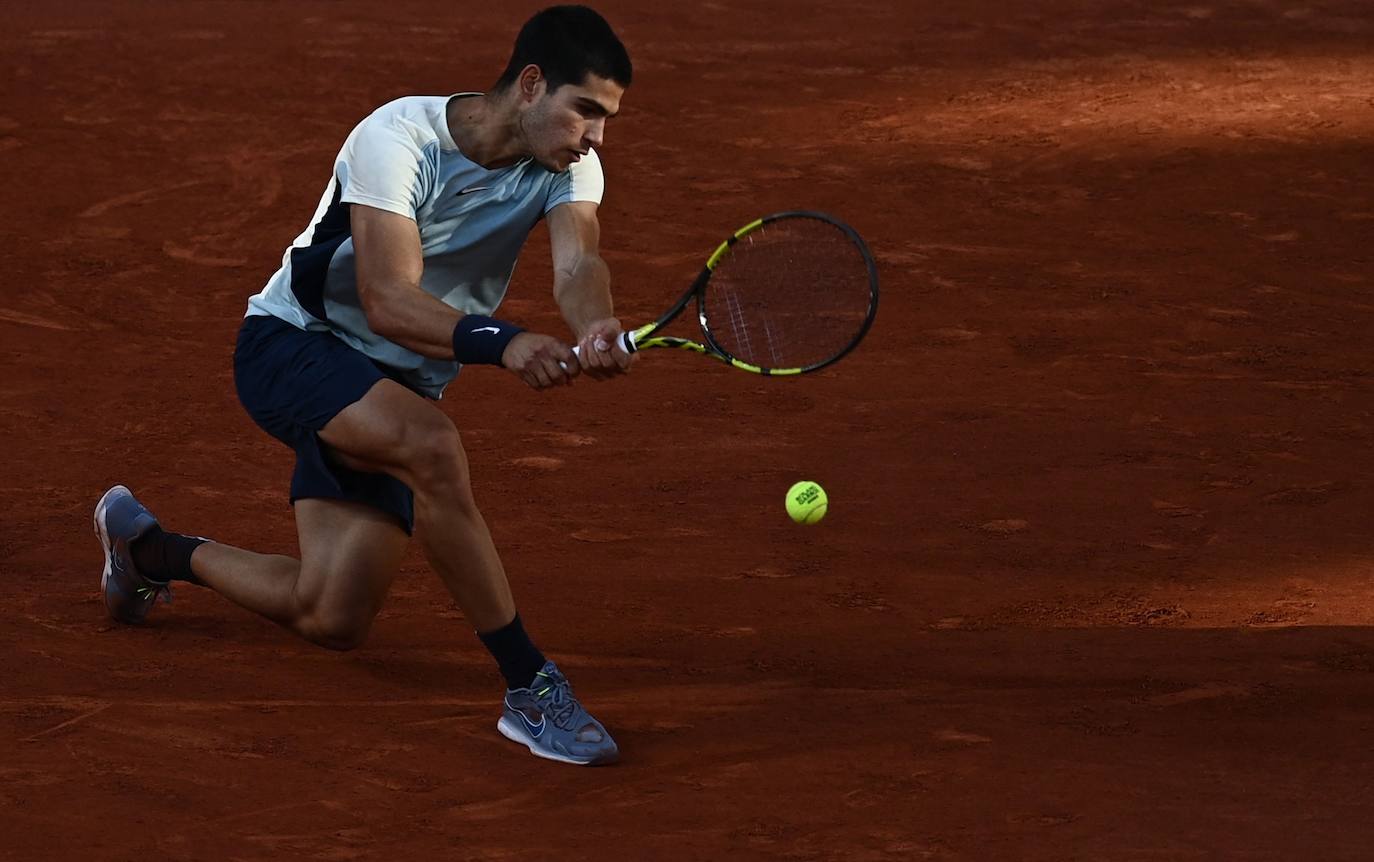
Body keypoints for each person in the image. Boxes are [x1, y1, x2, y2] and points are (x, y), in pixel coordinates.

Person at [94, 5, 633, 766]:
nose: (595, 135)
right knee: (432, 446)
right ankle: (529, 686)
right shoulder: (398, 137)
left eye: (606, 119)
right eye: (586, 111)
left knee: (331, 616)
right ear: (531, 86)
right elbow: (387, 297)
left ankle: (148, 553)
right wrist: (503, 342)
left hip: (393, 379)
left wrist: (596, 325)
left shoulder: (571, 168)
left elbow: (578, 266)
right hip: (294, 345)